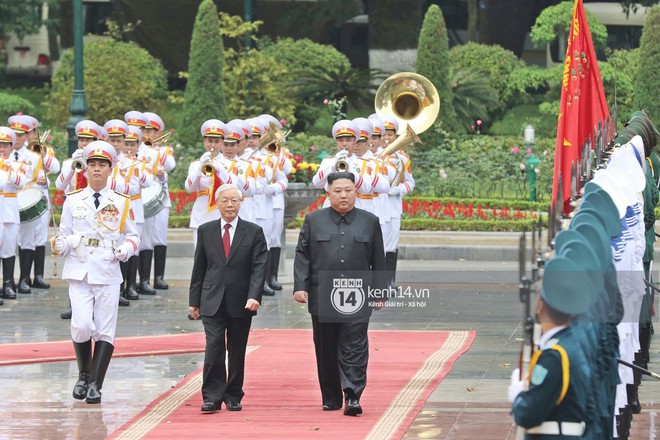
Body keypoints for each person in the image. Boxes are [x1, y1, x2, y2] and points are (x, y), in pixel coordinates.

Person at [50, 140, 139, 404]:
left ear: (110, 169)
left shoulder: (122, 203)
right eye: (92, 164)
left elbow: (134, 237)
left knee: (104, 329)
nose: (97, 169)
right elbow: (65, 234)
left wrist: (125, 250)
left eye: (102, 165)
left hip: (108, 270)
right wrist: (59, 244)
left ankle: (95, 385)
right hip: (79, 270)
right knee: (81, 325)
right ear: (86, 169)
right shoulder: (73, 200)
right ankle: (83, 374)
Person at [293, 171, 387, 416]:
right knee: (326, 346)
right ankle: (331, 396)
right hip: (323, 291)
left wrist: (379, 290)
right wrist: (300, 286)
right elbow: (303, 255)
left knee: (355, 345)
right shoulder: (314, 220)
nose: (343, 195)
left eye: (348, 190)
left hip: (358, 292)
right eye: (338, 190)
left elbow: (378, 257)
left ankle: (353, 395)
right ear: (329, 193)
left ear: (356, 192)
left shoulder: (370, 220)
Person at [188, 184, 268, 413]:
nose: (230, 205)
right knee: (213, 347)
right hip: (211, 299)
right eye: (225, 200)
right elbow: (199, 268)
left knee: (236, 350)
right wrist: (194, 301)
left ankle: (233, 395)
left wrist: (255, 296)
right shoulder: (206, 230)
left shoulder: (253, 231)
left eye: (234, 200)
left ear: (240, 202)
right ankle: (212, 396)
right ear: (217, 202)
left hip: (242, 301)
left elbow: (259, 268)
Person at [509, 256, 595, 439]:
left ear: (541, 306)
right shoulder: (575, 342)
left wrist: (518, 396)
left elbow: (527, 414)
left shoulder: (554, 356)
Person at [1, 126, 27, 301]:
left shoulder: (17, 164)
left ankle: (8, 284)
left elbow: (20, 182)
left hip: (9, 212)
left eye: (5, 145)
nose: (2, 148)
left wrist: (7, 169)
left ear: (11, 147)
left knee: (9, 249)